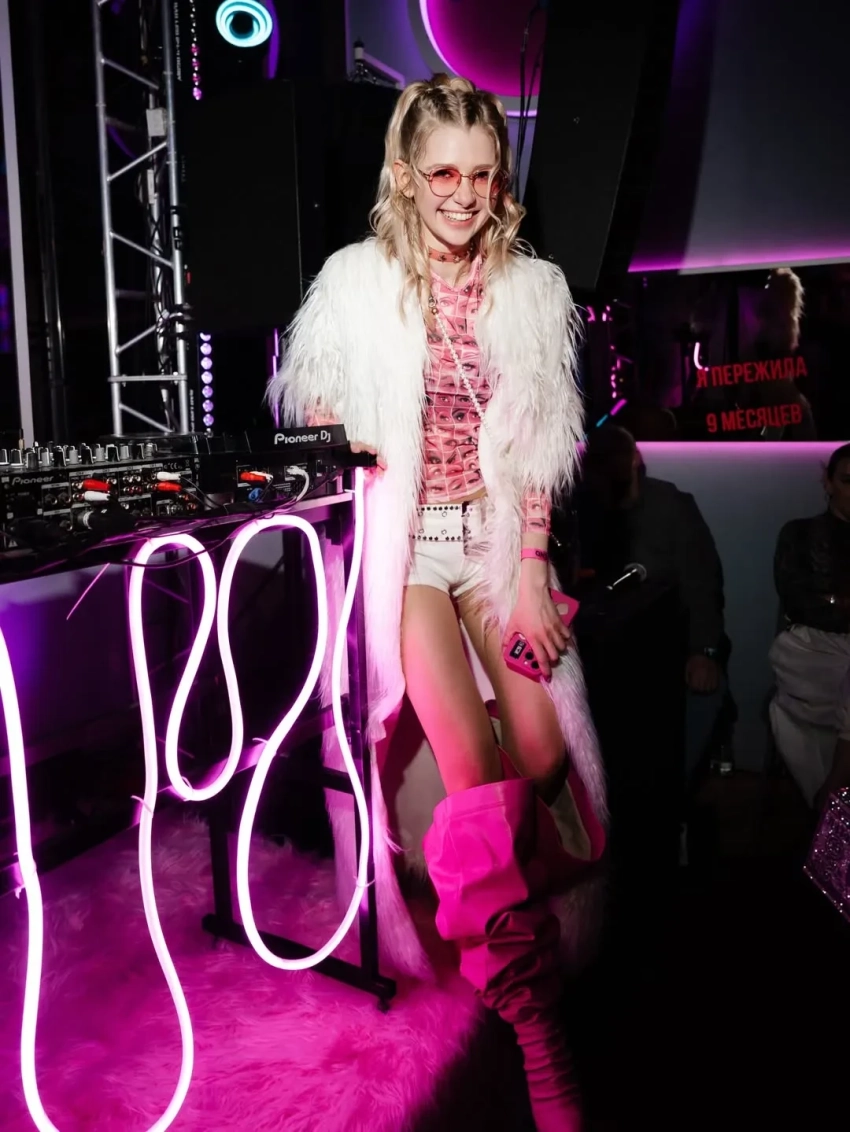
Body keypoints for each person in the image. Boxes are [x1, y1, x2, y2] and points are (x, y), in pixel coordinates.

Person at [269, 76, 606, 1131]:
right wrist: (338, 430)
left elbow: (542, 443)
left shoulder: (532, 289)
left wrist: (533, 571)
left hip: (495, 544)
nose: (463, 195)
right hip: (408, 550)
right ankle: (536, 1023)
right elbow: (309, 416)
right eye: (442, 173)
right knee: (472, 770)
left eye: (481, 174)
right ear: (406, 174)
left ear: (500, 180)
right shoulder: (355, 283)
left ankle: (476, 881)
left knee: (541, 756)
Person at [576, 426, 728, 779]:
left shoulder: (669, 505)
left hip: (662, 649)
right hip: (602, 652)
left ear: (635, 459)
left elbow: (701, 581)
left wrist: (703, 651)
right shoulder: (586, 510)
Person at [770, 443, 850, 808]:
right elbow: (799, 602)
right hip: (811, 647)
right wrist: (835, 604)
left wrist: (833, 599)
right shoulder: (799, 534)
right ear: (828, 483)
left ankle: (833, 792)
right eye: (848, 481)